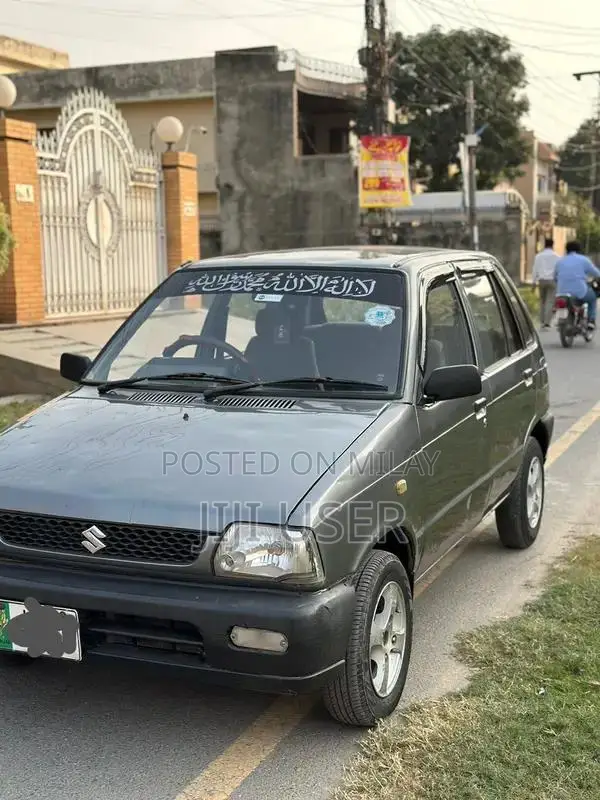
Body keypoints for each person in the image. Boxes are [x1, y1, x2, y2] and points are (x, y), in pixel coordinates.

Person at [554, 241, 600, 329]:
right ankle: (591, 321)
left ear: (566, 250)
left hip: (562, 292)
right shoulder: (584, 259)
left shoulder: (560, 261)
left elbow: (555, 277)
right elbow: (596, 273)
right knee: (592, 298)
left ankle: (561, 320)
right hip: (580, 291)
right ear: (579, 249)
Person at [531, 238, 559, 328]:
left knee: (542, 301)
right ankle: (547, 321)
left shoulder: (538, 256)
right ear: (552, 245)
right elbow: (558, 270)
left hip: (542, 280)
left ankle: (542, 320)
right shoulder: (557, 257)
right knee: (550, 301)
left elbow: (535, 269)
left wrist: (534, 282)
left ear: (545, 245)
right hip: (552, 280)